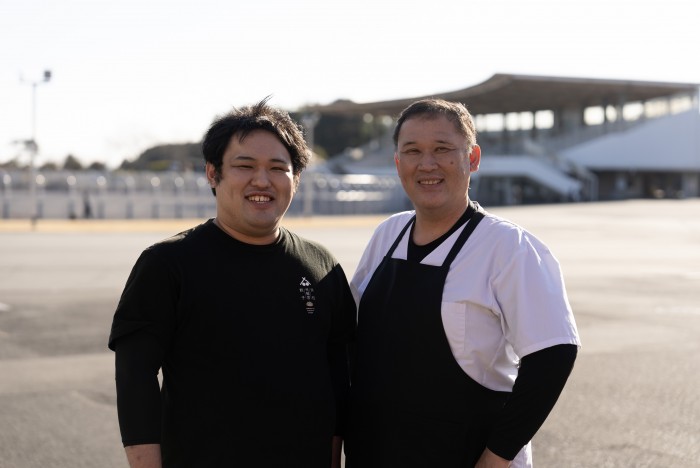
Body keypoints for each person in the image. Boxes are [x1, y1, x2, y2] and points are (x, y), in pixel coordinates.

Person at [108, 97, 356, 468]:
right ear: (213, 173)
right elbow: (135, 378)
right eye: (244, 166)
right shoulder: (167, 264)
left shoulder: (323, 267)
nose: (262, 180)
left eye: (278, 168)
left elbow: (339, 378)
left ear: (296, 179)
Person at [345, 99, 580, 468]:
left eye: (442, 149)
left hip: (465, 454)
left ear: (472, 158)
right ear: (397, 163)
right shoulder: (388, 233)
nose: (427, 164)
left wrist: (497, 457)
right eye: (413, 151)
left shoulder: (508, 247)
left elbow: (552, 355)